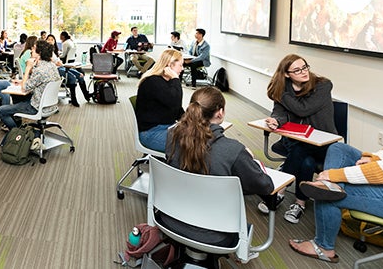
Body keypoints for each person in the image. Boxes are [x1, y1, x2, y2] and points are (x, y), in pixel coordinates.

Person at [288, 83, 383, 263]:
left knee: (328, 194)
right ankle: (330, 186)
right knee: (339, 148)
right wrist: (374, 158)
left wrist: (336, 175)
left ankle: (324, 247)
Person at [163, 87, 274, 247]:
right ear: (220, 112)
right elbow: (265, 186)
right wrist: (247, 159)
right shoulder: (233, 150)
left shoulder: (171, 135)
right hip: (214, 233)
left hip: (171, 218)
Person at [260, 54, 336, 224]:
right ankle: (300, 203)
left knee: (301, 151)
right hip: (296, 141)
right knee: (306, 161)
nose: (304, 72)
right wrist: (276, 120)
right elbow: (280, 111)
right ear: (286, 74)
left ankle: (280, 190)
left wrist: (281, 93)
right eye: (297, 70)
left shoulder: (323, 85)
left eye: (305, 67)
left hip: (323, 144)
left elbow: (303, 110)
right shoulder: (284, 89)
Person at [0, 39, 61, 150]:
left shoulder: (39, 70)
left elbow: (25, 88)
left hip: (37, 107)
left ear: (39, 53)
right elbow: (38, 82)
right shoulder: (52, 66)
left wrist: (28, 68)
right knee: (17, 98)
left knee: (2, 110)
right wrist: (23, 82)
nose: (31, 51)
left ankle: (19, 133)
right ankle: (21, 130)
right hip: (50, 105)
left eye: (33, 49)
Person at [135, 49, 185, 151]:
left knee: (198, 137)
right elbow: (174, 101)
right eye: (180, 65)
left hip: (166, 127)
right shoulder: (153, 82)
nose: (182, 69)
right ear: (169, 65)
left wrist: (192, 122)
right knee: (192, 147)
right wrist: (175, 78)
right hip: (151, 132)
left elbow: (176, 108)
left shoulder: (166, 82)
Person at [46, 34, 90, 107]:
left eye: (52, 39)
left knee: (80, 75)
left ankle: (87, 95)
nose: (50, 41)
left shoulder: (53, 50)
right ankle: (73, 99)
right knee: (72, 78)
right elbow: (52, 61)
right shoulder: (46, 50)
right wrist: (58, 63)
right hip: (55, 69)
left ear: (54, 41)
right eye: (48, 39)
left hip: (61, 67)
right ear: (46, 41)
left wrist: (59, 63)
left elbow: (59, 62)